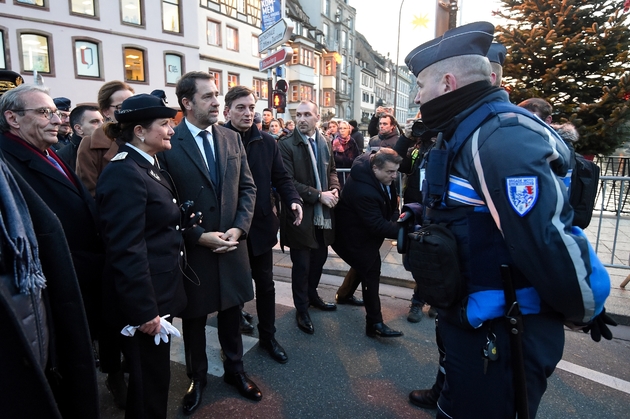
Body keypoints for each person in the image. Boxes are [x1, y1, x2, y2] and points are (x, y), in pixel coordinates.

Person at [404, 21, 612, 418]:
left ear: (448, 83)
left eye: (420, 86)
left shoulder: (500, 137)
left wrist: (583, 305)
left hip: (505, 328)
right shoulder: (467, 130)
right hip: (473, 318)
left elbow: (543, 237)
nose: (417, 98)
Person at [157, 71, 261, 415]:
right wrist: (196, 236)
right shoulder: (169, 143)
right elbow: (163, 201)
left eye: (217, 95)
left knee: (232, 314)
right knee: (195, 319)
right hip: (194, 250)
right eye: (208, 97)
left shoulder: (231, 139)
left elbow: (248, 188)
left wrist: (239, 229)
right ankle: (196, 378)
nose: (217, 102)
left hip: (232, 245)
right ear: (186, 103)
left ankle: (236, 371)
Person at [0, 73, 99, 419]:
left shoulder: (50, 151)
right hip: (54, 290)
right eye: (44, 113)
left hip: (81, 277)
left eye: (54, 113)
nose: (56, 118)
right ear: (13, 118)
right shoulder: (8, 161)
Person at [95, 94, 186, 419]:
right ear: (139, 131)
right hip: (145, 303)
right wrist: (145, 312)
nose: (171, 131)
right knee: (149, 382)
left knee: (154, 378)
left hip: (156, 292)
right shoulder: (125, 173)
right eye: (164, 124)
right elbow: (126, 249)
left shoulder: (144, 167)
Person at [222, 85, 303, 364]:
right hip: (229, 230)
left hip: (261, 228)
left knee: (266, 286)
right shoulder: (218, 140)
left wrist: (293, 200)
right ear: (227, 111)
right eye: (241, 107)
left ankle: (268, 336)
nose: (248, 113)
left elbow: (281, 178)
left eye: (251, 108)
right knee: (232, 294)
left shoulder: (268, 142)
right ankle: (231, 347)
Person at [278, 100, 341, 335]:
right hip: (300, 215)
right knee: (302, 265)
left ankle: (312, 295)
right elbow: (288, 181)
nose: (301, 119)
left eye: (307, 115)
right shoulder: (285, 144)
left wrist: (334, 189)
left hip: (322, 215)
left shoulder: (325, 141)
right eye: (298, 115)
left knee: (320, 258)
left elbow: (332, 170)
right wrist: (319, 196)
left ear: (318, 118)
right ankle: (301, 309)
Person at [333, 148, 404, 337]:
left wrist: (396, 217)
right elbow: (379, 226)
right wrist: (405, 230)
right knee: (371, 270)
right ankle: (374, 323)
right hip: (351, 236)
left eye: (396, 171)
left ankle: (344, 295)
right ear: (374, 168)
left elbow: (392, 203)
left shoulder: (384, 176)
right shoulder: (362, 190)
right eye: (390, 172)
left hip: (364, 233)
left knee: (363, 265)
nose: (394, 176)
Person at [76, 80, 135, 196]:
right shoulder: (90, 145)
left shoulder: (146, 137)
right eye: (121, 107)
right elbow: (89, 193)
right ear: (106, 112)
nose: (130, 111)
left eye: (133, 105)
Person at [57, 104, 103, 171]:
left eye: (103, 120)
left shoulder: (110, 148)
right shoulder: (63, 158)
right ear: (79, 128)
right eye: (95, 122)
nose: (102, 125)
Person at [331, 120, 360, 188]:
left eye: (345, 128)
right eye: (340, 128)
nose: (342, 130)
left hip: (350, 175)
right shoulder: (334, 142)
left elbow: (356, 158)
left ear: (349, 130)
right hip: (337, 176)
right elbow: (331, 159)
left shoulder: (352, 142)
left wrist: (341, 159)